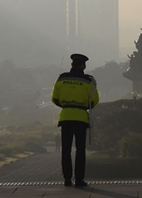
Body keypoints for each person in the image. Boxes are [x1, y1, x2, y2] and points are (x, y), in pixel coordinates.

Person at [51, 53, 100, 187]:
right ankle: (79, 179)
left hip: (66, 117)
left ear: (72, 65)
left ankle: (67, 179)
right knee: (80, 150)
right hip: (81, 119)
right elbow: (94, 101)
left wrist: (66, 105)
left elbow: (54, 98)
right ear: (83, 66)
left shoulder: (62, 79)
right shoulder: (88, 81)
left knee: (66, 150)